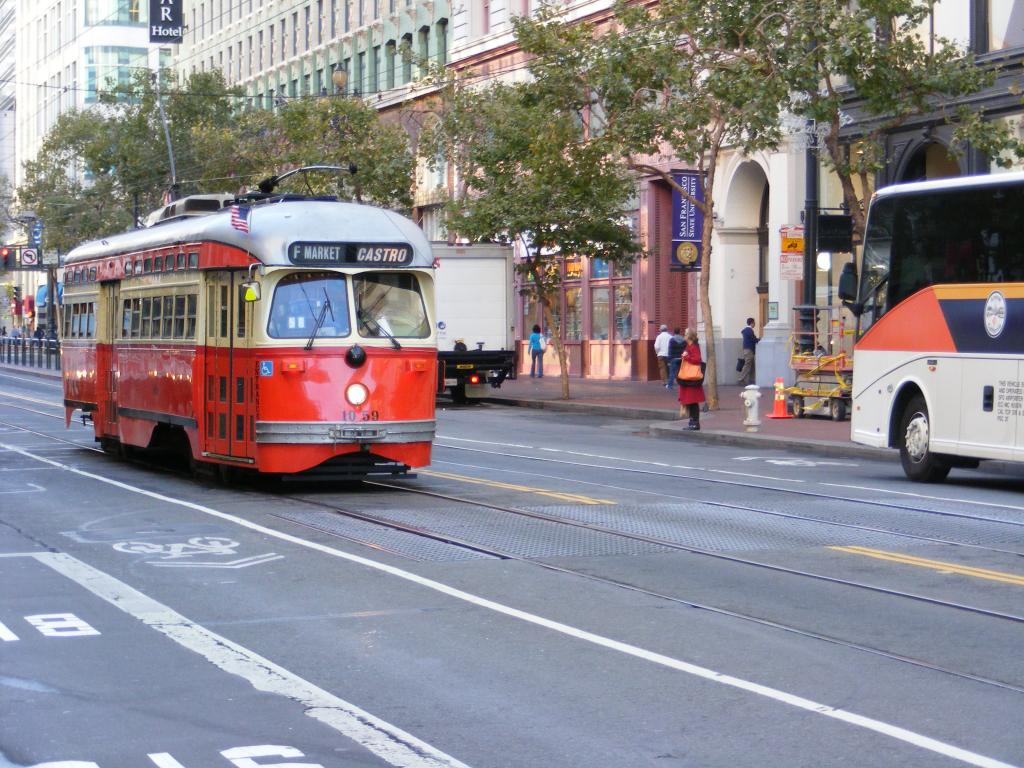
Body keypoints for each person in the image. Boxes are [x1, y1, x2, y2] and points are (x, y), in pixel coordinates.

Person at [677, 328, 706, 430]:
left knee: (692, 401)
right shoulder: (689, 346)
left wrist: (687, 358)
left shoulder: (693, 347)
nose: (684, 336)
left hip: (692, 378)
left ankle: (695, 422)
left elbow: (697, 360)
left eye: (685, 334)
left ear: (689, 336)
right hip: (688, 378)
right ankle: (692, 421)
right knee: (690, 402)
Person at [738, 317, 759, 386]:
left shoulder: (746, 330)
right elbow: (754, 339)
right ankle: (741, 379)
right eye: (754, 323)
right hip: (749, 350)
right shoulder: (749, 330)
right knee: (747, 365)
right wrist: (759, 340)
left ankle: (751, 380)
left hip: (748, 350)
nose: (755, 324)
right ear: (752, 323)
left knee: (752, 365)